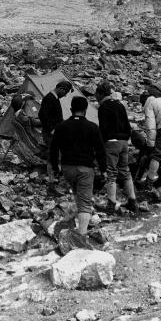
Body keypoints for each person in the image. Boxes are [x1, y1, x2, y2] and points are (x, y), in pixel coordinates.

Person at [50, 96, 107, 235]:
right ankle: (81, 236)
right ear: (85, 110)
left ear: (71, 109)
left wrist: (55, 168)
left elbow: (53, 149)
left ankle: (75, 222)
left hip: (67, 168)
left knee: (77, 193)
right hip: (85, 169)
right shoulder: (92, 127)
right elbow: (100, 150)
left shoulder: (61, 126)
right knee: (85, 203)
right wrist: (103, 170)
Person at [96, 81, 137, 214]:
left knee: (111, 173)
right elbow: (127, 124)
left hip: (111, 142)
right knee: (125, 171)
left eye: (96, 94)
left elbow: (103, 128)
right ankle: (133, 201)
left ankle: (111, 204)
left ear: (101, 94)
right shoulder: (119, 104)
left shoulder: (103, 107)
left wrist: (101, 144)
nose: (95, 96)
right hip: (124, 141)